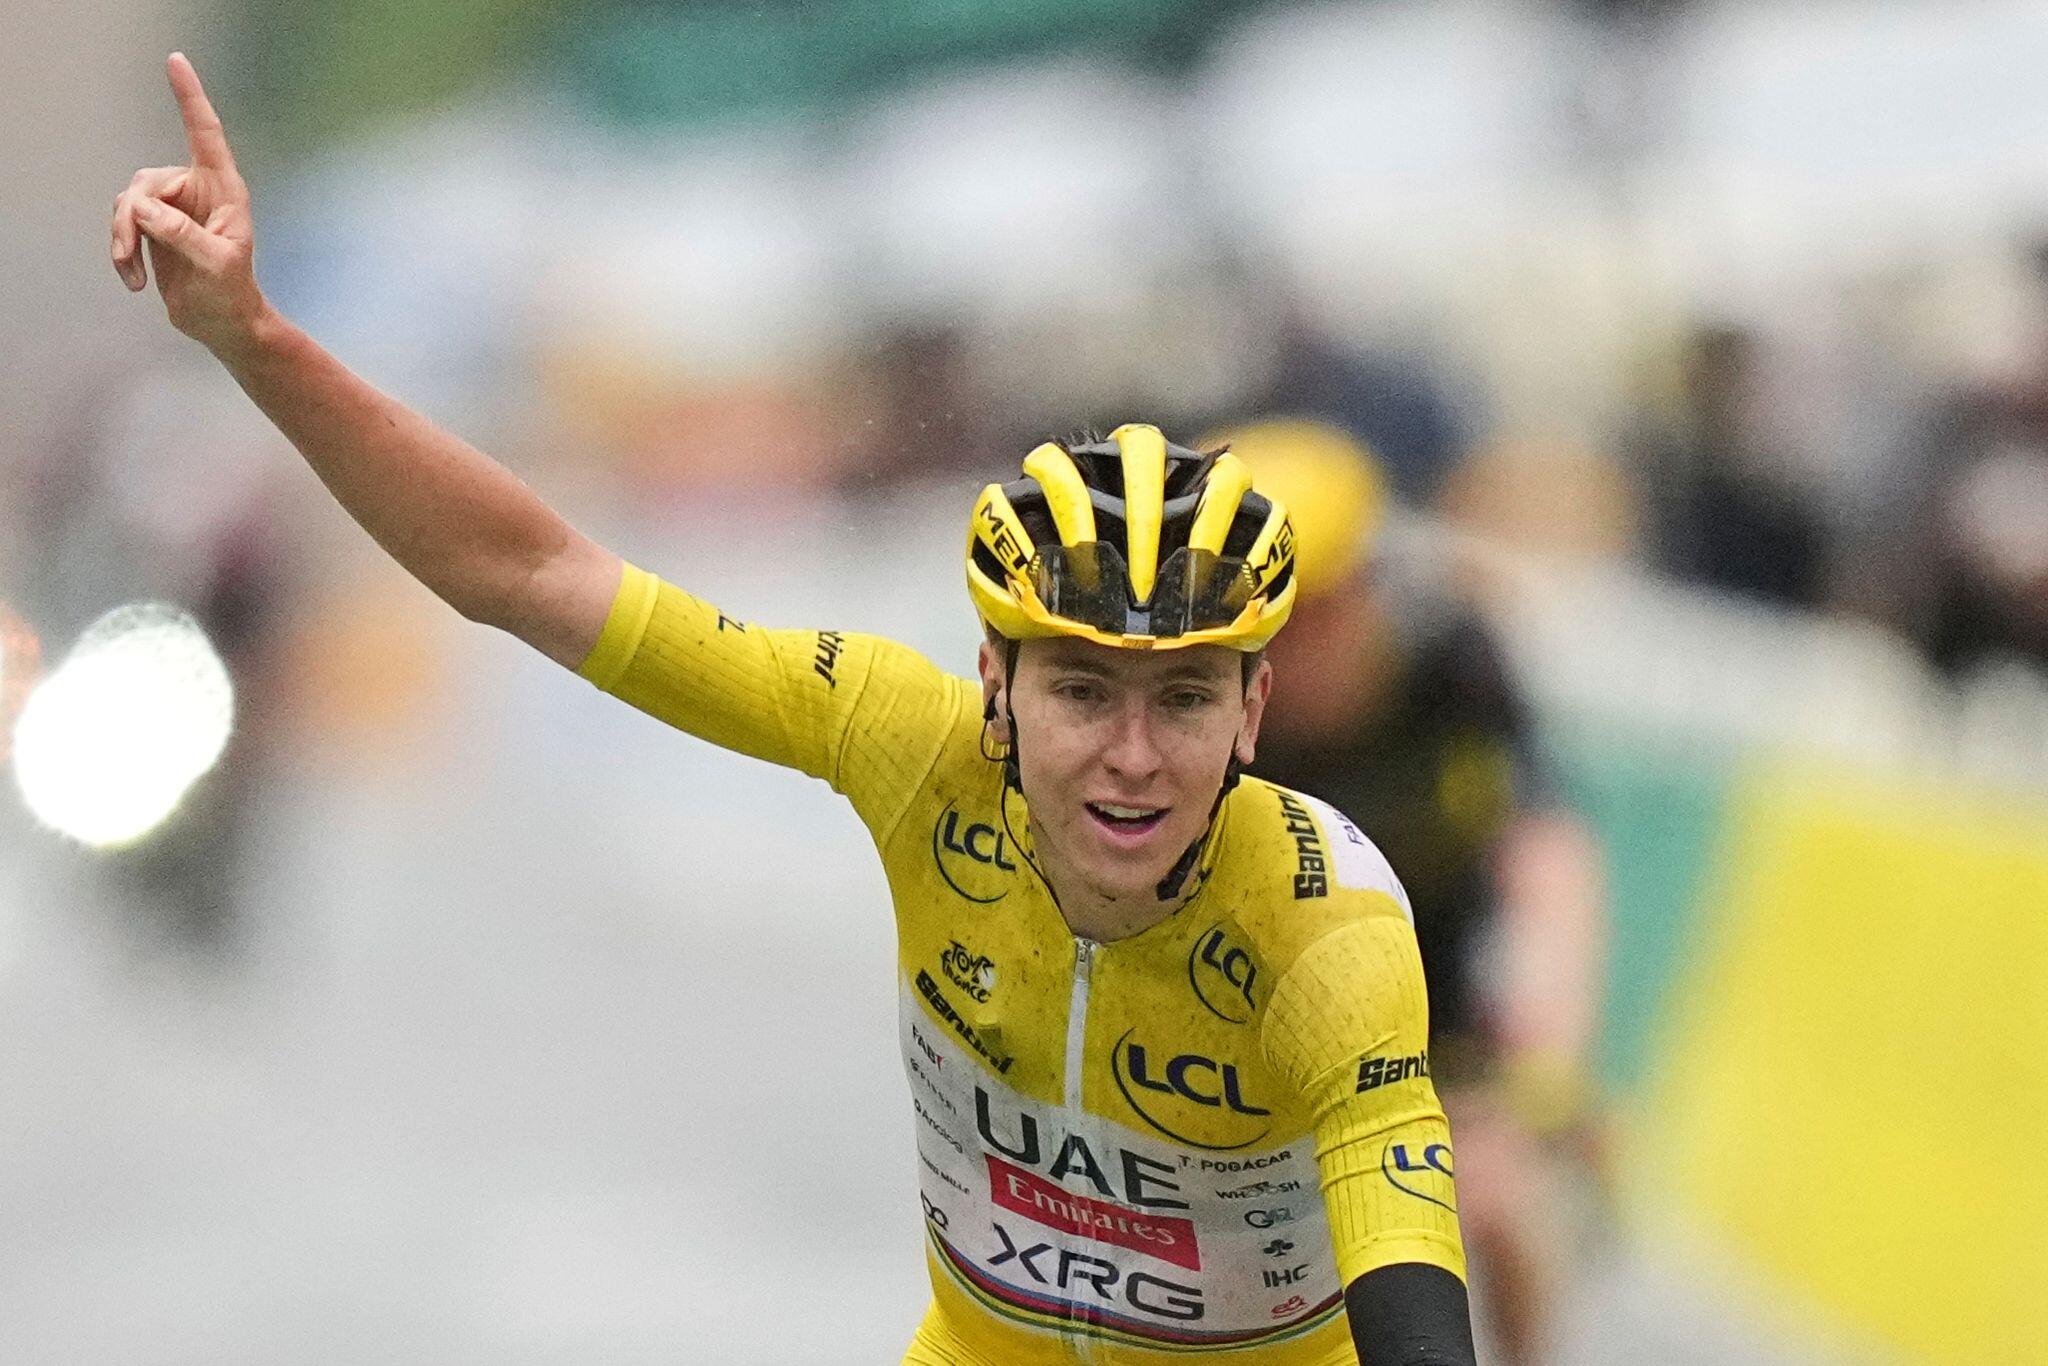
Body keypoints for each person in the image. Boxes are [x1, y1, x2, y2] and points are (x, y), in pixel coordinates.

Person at [111, 54, 1479, 1365]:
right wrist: (254, 339)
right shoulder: (907, 743)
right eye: (1080, 689)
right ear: (994, 685)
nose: (1130, 757)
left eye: (1182, 698)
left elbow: (1410, 1274)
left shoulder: (1325, 921)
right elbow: (527, 571)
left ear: (1253, 709)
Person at [1219, 420, 1609, 1366]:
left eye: (1311, 617)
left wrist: (1548, 1051)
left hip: (1440, 1007)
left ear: (1363, 589)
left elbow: (1548, 860)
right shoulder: (1216, 716)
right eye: (1258, 632)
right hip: (1267, 1020)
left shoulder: (1453, 664)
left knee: (1498, 1206)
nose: (1285, 658)